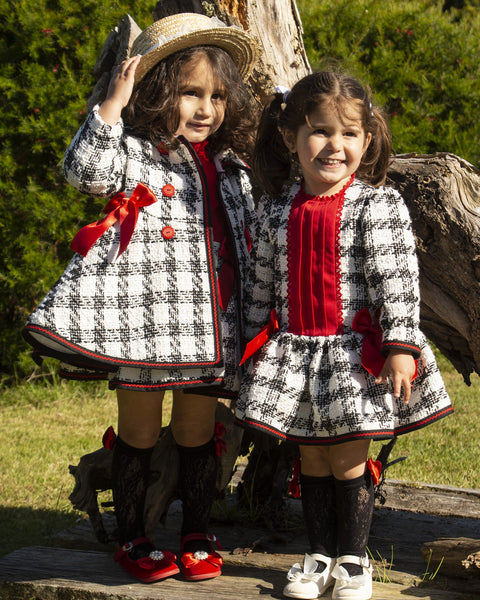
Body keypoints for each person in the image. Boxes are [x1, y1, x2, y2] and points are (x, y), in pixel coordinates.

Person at [23, 12, 259, 584]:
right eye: (190, 93)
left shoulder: (232, 166)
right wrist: (113, 102)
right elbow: (83, 170)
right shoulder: (134, 152)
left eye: (217, 96)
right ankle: (132, 534)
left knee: (197, 433)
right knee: (139, 433)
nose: (205, 109)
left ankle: (196, 531)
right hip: (149, 325)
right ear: (158, 91)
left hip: (213, 326)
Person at [235, 71, 453, 600]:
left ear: (367, 138)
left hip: (356, 358)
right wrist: (249, 342)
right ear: (290, 137)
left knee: (348, 457)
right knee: (311, 455)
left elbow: (397, 281)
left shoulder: (376, 205)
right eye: (320, 131)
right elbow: (261, 281)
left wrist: (400, 346)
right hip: (296, 354)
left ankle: (353, 560)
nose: (335, 146)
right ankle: (318, 555)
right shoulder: (275, 209)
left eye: (349, 133)